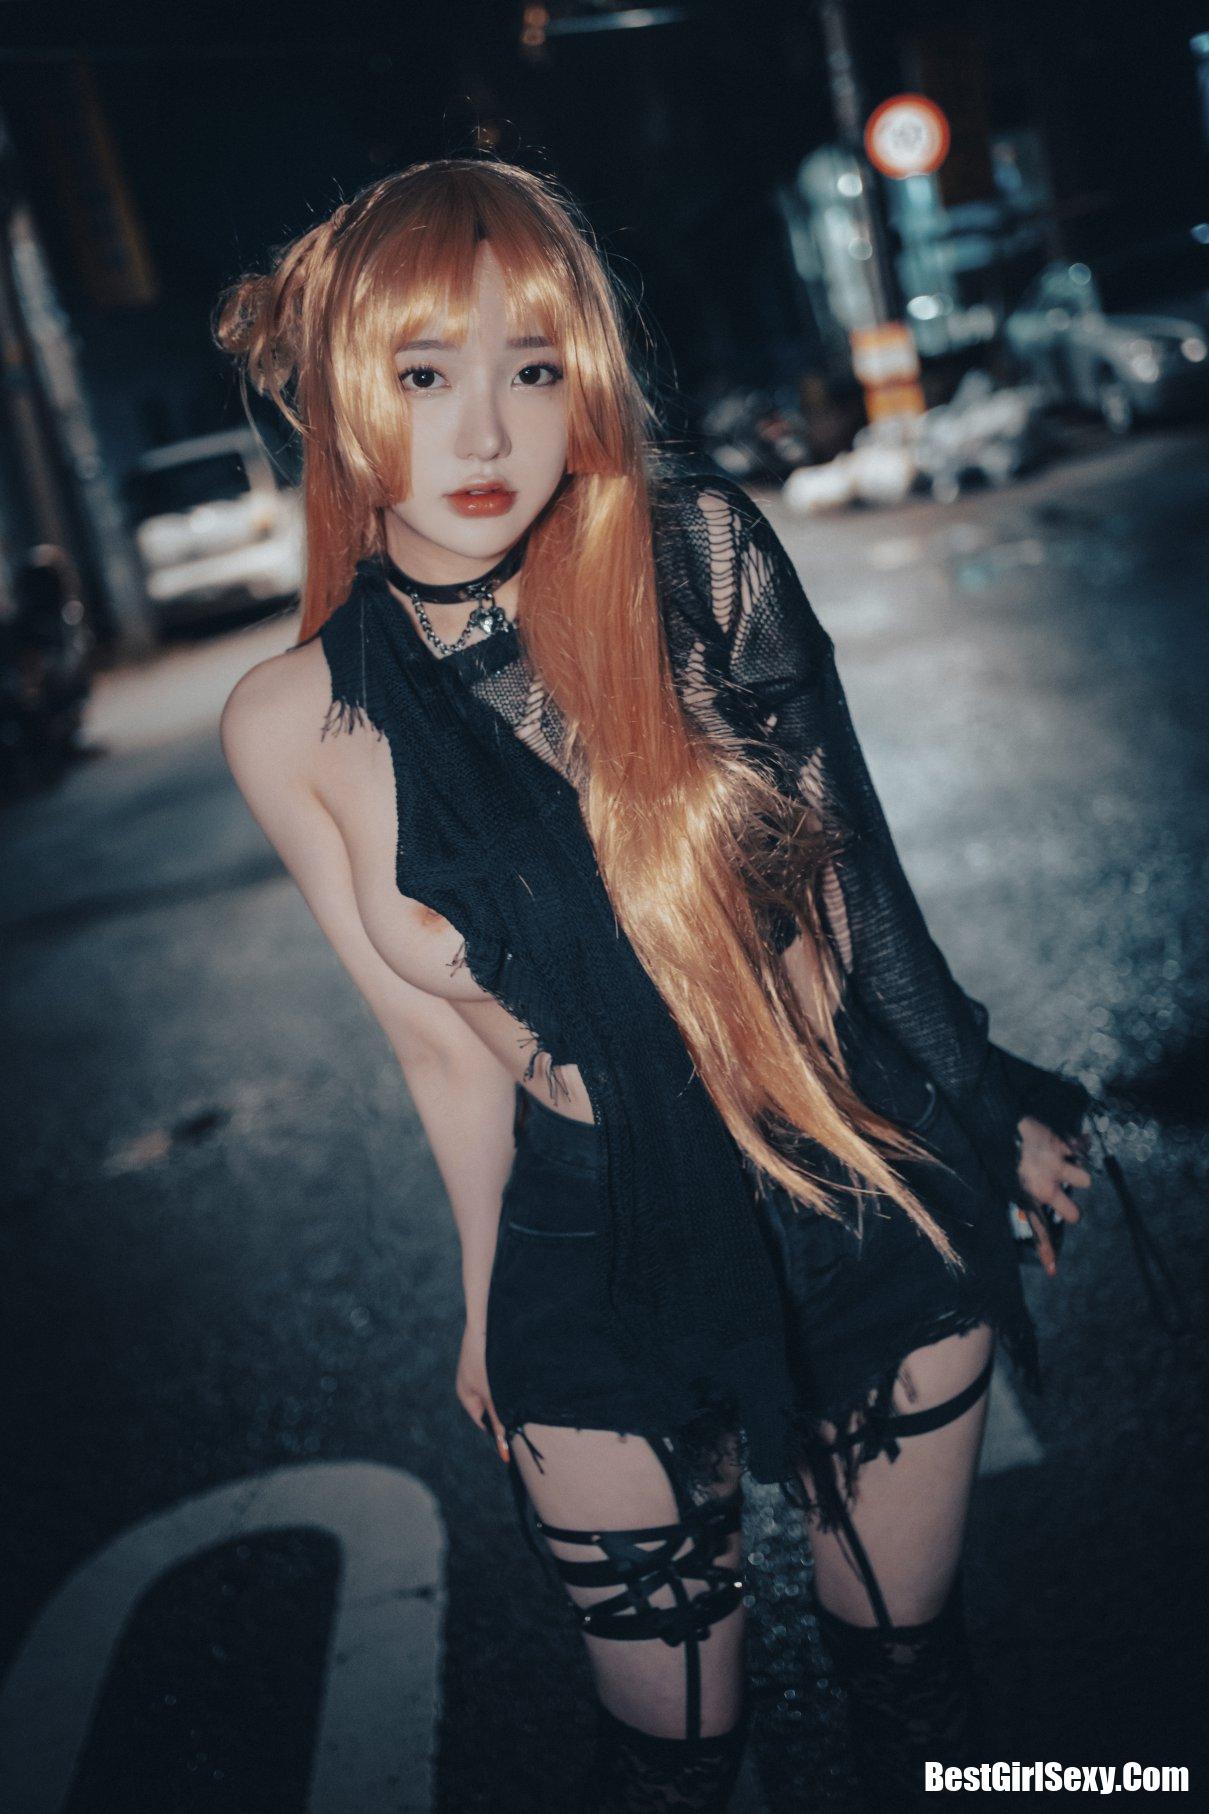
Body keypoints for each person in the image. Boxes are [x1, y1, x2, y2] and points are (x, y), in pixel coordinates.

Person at [215, 157, 1092, 1812]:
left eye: (535, 368)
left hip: (834, 1166)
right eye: (426, 376)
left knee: (911, 1687)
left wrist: (985, 1110)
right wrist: (483, 1295)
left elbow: (859, 895)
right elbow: (441, 1049)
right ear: (341, 398)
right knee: (673, 1755)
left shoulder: (691, 555)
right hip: (585, 1237)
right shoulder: (286, 721)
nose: (487, 433)